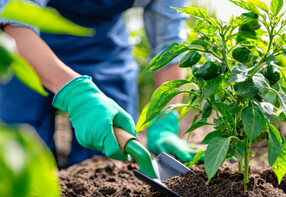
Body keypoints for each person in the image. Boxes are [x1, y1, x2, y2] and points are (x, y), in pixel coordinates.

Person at [0, 0, 197, 168]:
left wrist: (164, 118)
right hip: (27, 47)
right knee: (21, 157)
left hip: (104, 51)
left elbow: (171, 45)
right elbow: (14, 22)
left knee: (106, 157)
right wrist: (76, 94)